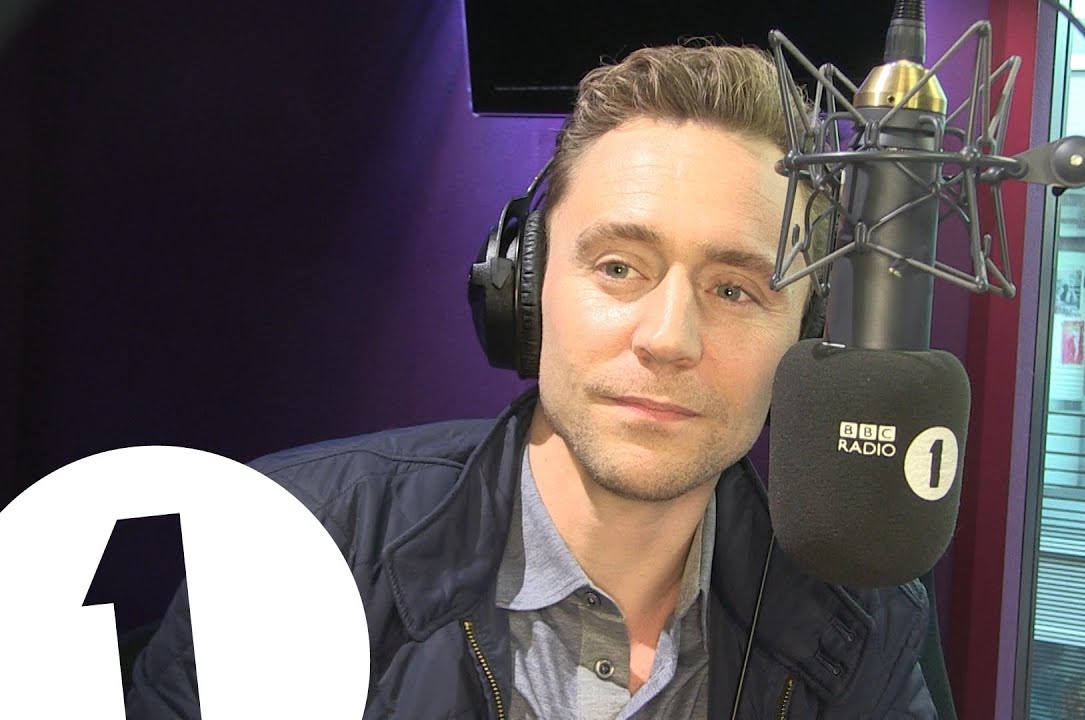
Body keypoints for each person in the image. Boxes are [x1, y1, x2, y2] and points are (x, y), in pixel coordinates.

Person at [127, 43, 937, 718]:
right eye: (618, 267)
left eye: (734, 290)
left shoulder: (862, 618)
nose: (667, 339)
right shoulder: (295, 547)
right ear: (524, 287)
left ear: (806, 337)